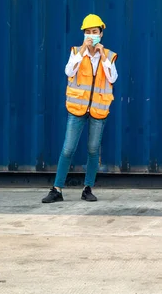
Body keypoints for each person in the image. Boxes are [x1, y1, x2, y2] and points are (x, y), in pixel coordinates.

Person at [42, 14, 118, 203]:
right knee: (68, 149)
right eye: (88, 32)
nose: (91, 35)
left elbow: (112, 78)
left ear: (101, 33)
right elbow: (69, 71)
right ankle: (57, 189)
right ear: (83, 34)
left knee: (93, 150)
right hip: (77, 109)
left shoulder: (108, 55)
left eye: (95, 32)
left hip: (98, 111)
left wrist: (102, 57)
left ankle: (88, 188)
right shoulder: (76, 51)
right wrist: (83, 50)